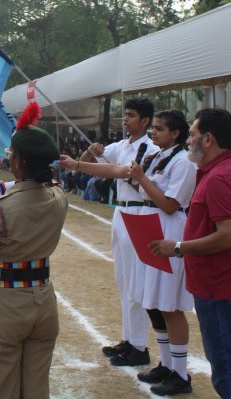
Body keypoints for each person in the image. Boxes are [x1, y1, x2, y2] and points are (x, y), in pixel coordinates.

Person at [61, 109, 196, 395]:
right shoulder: (157, 156)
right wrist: (76, 164)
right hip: (149, 227)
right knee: (153, 301)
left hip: (168, 229)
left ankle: (180, 373)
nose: (154, 132)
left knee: (169, 304)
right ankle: (166, 364)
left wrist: (141, 178)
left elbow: (170, 204)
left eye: (160, 128)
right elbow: (116, 171)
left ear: (175, 133)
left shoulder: (183, 162)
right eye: (154, 127)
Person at [0, 102, 67, 399]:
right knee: (36, 388)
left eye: (11, 155)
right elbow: (48, 184)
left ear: (18, 162)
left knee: (2, 389)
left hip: (5, 302)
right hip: (43, 297)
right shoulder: (59, 197)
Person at [150, 108, 231, 399]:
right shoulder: (219, 171)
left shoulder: (220, 176)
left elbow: (229, 235)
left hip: (220, 284)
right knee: (226, 357)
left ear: (208, 139)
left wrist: (178, 248)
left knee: (226, 363)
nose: (187, 141)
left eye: (192, 134)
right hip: (218, 282)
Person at [78, 98, 158, 366]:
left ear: (145, 121)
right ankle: (129, 338)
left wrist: (116, 169)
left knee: (136, 281)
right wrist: (91, 150)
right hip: (121, 213)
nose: (125, 119)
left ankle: (139, 345)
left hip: (139, 212)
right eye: (125, 114)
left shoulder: (150, 149)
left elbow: (135, 181)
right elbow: (87, 163)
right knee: (123, 280)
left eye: (131, 115)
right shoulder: (120, 146)